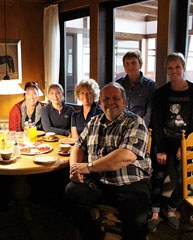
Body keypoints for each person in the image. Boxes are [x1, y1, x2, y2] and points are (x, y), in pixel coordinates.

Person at [65, 82, 152, 240]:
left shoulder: (135, 122)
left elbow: (126, 156)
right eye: (106, 98)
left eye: (115, 98)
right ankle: (94, 235)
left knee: (137, 223)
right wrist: (74, 169)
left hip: (130, 184)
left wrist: (88, 167)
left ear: (124, 102)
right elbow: (78, 147)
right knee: (72, 192)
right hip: (98, 182)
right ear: (100, 102)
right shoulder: (94, 122)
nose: (110, 102)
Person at [148, 52, 193, 232]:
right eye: (170, 68)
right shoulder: (161, 93)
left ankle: (172, 209)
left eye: (177, 67)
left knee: (186, 181)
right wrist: (160, 149)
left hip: (186, 143)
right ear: (166, 70)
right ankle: (155, 213)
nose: (174, 71)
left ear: (183, 68)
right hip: (164, 142)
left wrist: (187, 146)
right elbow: (156, 123)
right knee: (158, 176)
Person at [116, 51, 156, 127]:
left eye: (133, 63)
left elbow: (150, 111)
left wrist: (141, 126)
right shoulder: (119, 84)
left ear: (140, 64)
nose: (130, 66)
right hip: (121, 125)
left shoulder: (150, 85)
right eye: (127, 64)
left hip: (140, 125)